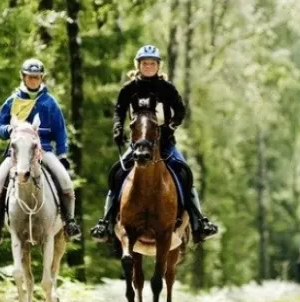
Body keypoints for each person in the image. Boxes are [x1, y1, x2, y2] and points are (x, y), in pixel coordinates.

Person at [89, 44, 218, 244]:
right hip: (138, 146)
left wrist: (171, 125)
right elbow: (119, 111)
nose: (148, 66)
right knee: (117, 173)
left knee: (185, 173)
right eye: (145, 63)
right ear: (138, 65)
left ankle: (198, 222)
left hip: (165, 145)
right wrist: (117, 128)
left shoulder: (167, 88)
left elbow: (180, 109)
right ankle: (106, 222)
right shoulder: (129, 89)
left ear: (158, 66)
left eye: (152, 63)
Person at [0, 58, 81, 244]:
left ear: (41, 78)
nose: (33, 81)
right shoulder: (13, 101)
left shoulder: (49, 102)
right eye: (30, 78)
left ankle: (69, 221)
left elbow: (60, 130)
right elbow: (0, 124)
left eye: (36, 78)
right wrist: (8, 130)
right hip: (18, 152)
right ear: (23, 77)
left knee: (65, 182)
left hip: (43, 149)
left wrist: (62, 154)